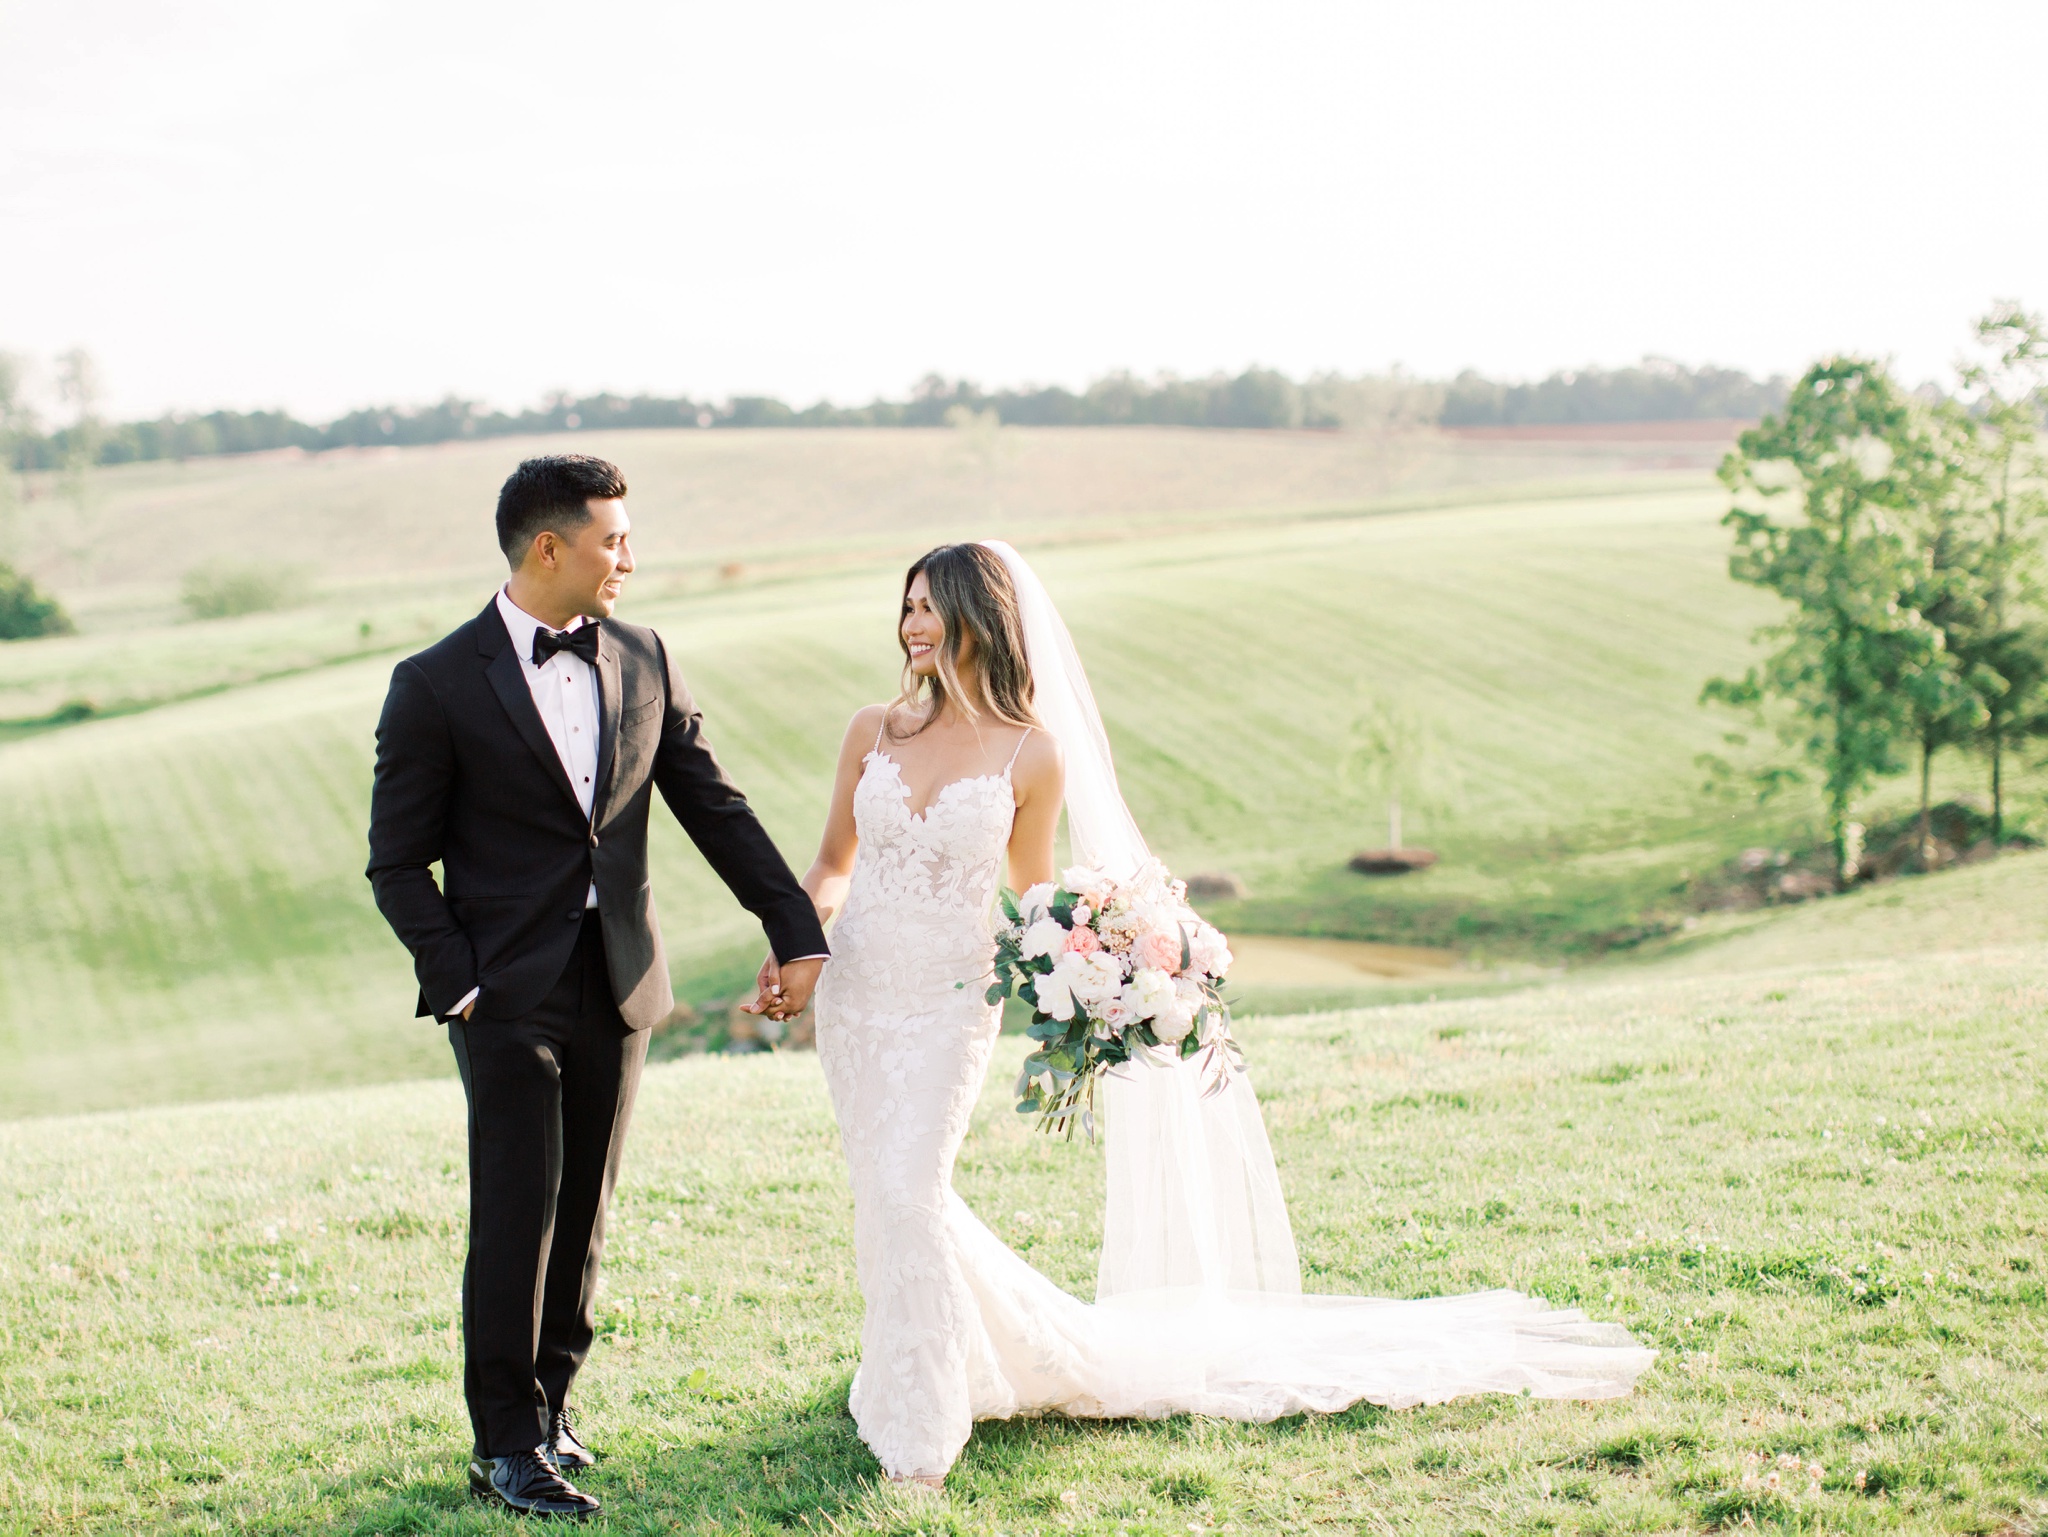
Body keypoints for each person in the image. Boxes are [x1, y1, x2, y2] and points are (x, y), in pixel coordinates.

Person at [753, 540, 1651, 1488]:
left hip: (945, 1002)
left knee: (909, 1190)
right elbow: (831, 867)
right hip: (859, 997)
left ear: (984, 616)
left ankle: (918, 1428)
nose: (914, 625)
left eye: (933, 606)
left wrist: (1110, 956)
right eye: (907, 607)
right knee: (888, 1197)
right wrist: (794, 951)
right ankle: (933, 1359)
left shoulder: (1033, 753)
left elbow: (1033, 897)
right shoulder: (872, 729)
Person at [367, 455, 827, 1520]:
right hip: (504, 991)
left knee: (586, 1208)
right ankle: (502, 1442)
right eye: (614, 538)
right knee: (517, 1209)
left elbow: (715, 805)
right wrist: (461, 985)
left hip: (619, 979)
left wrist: (794, 928)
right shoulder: (434, 682)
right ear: (548, 547)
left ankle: (554, 1407)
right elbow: (397, 862)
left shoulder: (644, 654)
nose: (630, 557)